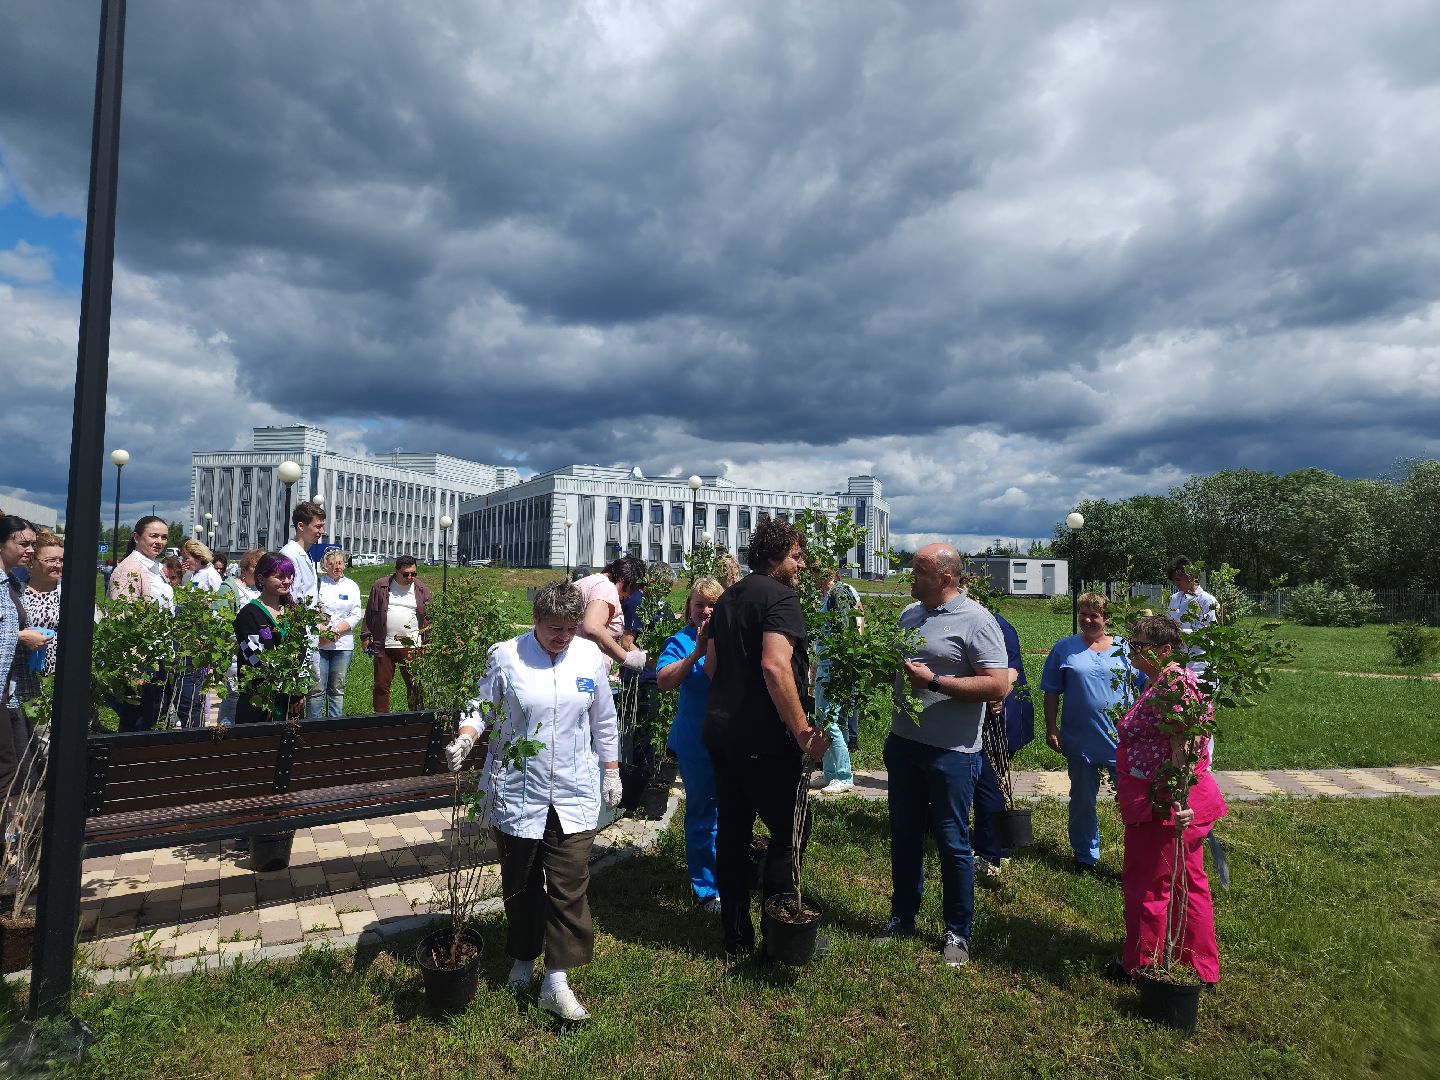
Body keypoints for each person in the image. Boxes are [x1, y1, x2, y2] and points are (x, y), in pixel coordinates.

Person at [442, 581, 621, 1023]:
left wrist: (612, 769)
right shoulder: (507, 655)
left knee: (569, 885)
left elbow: (603, 717)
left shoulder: (587, 657)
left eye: (570, 628)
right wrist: (467, 737)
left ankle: (556, 980)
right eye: (553, 628)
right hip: (519, 790)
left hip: (574, 790)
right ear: (536, 622)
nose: (562, 637)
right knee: (520, 884)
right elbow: (481, 706)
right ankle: (523, 956)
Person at [875, 544, 1010, 969]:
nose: (910, 579)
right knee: (905, 835)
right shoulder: (909, 616)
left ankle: (957, 931)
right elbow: (896, 670)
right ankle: (902, 917)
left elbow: (997, 686)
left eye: (919, 573)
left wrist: (934, 681)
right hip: (904, 745)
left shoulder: (977, 621)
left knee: (953, 843)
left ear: (946, 578)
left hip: (953, 753)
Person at [702, 516, 828, 964]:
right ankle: (783, 927)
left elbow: (713, 667)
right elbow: (776, 667)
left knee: (733, 834)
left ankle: (736, 937)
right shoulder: (781, 598)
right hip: (765, 740)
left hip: (723, 734)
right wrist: (803, 733)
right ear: (774, 557)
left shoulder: (730, 596)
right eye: (796, 556)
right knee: (791, 829)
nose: (801, 564)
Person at [1116, 615, 1226, 987]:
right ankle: (1196, 965)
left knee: (1149, 884)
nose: (1132, 650)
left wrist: (1179, 800)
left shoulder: (1174, 685)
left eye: (1139, 645)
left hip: (1164, 805)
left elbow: (1188, 744)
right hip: (1165, 800)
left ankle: (1143, 966)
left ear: (1164, 651)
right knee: (1186, 882)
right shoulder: (1164, 681)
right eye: (1132, 643)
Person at [1040, 593, 1139, 873]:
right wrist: (1051, 727)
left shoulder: (1125, 649)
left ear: (1106, 618)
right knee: (1082, 800)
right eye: (1083, 613)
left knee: (1132, 802)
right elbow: (1051, 691)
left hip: (1123, 741)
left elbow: (1147, 684)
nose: (1087, 619)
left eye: (1094, 614)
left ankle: (1136, 857)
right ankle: (1085, 855)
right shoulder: (1064, 649)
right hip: (1080, 738)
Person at [656, 576, 723, 911]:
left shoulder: (732, 638)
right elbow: (664, 681)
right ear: (689, 609)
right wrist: (698, 649)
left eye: (713, 605)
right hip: (696, 740)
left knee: (731, 809)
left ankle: (730, 873)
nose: (707, 611)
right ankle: (706, 888)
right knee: (702, 810)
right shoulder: (681, 641)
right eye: (700, 605)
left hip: (731, 737)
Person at [971, 608, 1034, 881]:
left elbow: (1010, 671)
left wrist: (997, 696)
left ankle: (992, 852)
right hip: (988, 715)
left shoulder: (996, 625)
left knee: (989, 783)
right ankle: (999, 845)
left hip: (1001, 719)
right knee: (990, 783)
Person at [107, 516, 175, 731]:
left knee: (150, 717)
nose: (159, 541)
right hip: (140, 658)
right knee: (135, 721)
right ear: (137, 537)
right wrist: (133, 665)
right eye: (153, 536)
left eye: (164, 537)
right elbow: (122, 621)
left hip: (158, 654)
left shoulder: (154, 568)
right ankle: (125, 763)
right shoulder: (130, 569)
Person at [0, 516, 45, 801]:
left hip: (11, 690)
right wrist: (21, 637)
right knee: (7, 769)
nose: (29, 550)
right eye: (23, 543)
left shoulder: (14, 582)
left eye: (32, 544)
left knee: (14, 768)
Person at [233, 552, 304, 724]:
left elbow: (302, 648)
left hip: (291, 699)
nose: (286, 581)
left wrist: (296, 691)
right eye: (279, 577)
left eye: (289, 576)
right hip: (259, 700)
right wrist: (289, 683)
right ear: (261, 579)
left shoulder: (293, 611)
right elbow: (257, 658)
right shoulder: (248, 614)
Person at [812, 567, 863, 794]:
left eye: (816, 578)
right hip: (827, 663)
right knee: (828, 721)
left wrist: (844, 659)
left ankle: (843, 774)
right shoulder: (831, 595)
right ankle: (831, 773)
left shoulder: (839, 592)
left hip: (834, 665)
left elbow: (846, 628)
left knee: (830, 720)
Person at [360, 555, 432, 713]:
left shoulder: (421, 589)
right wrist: (365, 636)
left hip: (412, 646)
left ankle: (416, 719)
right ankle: (381, 720)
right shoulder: (381, 586)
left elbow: (429, 617)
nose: (410, 577)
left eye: (414, 573)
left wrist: (428, 642)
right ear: (396, 572)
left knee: (415, 686)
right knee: (381, 685)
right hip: (384, 645)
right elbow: (371, 612)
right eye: (406, 574)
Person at [280, 501, 326, 716]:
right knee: (294, 696)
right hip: (296, 634)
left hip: (307, 632)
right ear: (301, 526)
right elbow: (289, 597)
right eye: (317, 526)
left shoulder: (304, 555)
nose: (321, 532)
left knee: (305, 690)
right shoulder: (290, 555)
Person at [215, 548, 264, 726]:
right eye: (255, 570)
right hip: (235, 655)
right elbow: (219, 621)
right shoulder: (229, 589)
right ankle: (225, 736)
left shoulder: (259, 589)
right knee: (233, 697)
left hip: (257, 657)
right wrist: (241, 637)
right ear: (244, 569)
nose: (260, 576)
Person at [574, 554, 647, 674]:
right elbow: (592, 627)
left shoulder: (591, 581)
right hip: (584, 670)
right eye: (632, 588)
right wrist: (626, 658)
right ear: (622, 579)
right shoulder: (606, 588)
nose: (630, 595)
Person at [312, 548, 362, 717]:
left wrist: (336, 630)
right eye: (332, 564)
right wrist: (323, 632)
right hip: (320, 643)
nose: (336, 567)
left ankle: (334, 725)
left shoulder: (352, 586)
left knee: (337, 688)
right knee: (317, 688)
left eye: (339, 563)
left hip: (343, 644)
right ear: (325, 566)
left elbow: (356, 614)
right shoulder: (317, 584)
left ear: (344, 565)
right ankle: (313, 727)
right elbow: (310, 611)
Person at [19, 531, 63, 679]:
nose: (58, 565)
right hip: (21, 673)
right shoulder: (16, 592)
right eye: (51, 560)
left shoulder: (71, 594)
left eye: (61, 560)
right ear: (32, 561)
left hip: (59, 674)